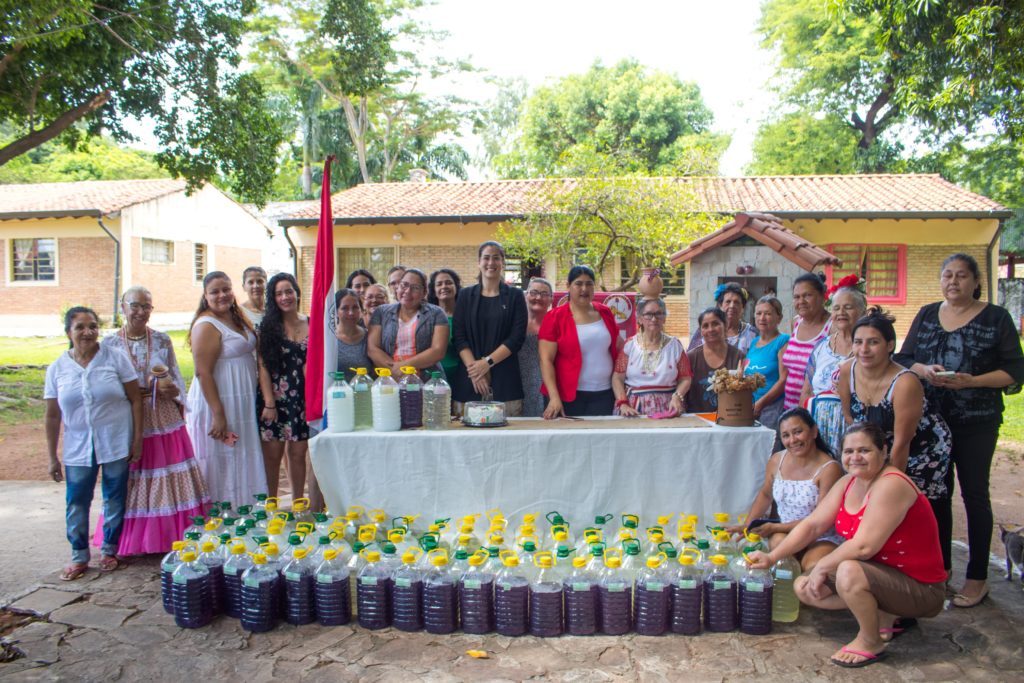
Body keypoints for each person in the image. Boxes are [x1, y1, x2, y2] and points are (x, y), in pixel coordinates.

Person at [749, 423, 947, 668]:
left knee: (847, 571)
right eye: (848, 451)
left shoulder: (891, 484)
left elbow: (864, 547)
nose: (855, 457)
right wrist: (771, 557)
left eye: (864, 450)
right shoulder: (848, 483)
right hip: (882, 576)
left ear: (883, 451)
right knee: (803, 586)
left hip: (922, 589)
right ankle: (887, 613)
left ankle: (870, 639)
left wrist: (823, 568)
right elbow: (812, 525)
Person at [895, 253, 1024, 607]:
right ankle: (941, 571)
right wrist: (924, 369)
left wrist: (973, 381)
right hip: (932, 422)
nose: (954, 282)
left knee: (975, 496)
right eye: (948, 275)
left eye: (962, 276)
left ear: (976, 281)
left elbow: (1015, 371)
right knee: (937, 495)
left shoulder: (996, 317)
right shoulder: (926, 314)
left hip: (976, 422)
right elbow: (904, 359)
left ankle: (978, 577)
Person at [97, 287, 208, 556]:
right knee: (135, 473)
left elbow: (178, 377)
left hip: (163, 415)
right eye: (135, 305)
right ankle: (131, 537)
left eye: (147, 307)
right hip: (130, 414)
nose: (140, 312)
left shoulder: (160, 340)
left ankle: (172, 533)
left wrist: (174, 392)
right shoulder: (109, 345)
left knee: (168, 471)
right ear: (122, 306)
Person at [45, 307, 143, 580]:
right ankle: (79, 556)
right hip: (77, 447)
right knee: (77, 501)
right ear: (69, 332)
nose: (87, 332)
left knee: (114, 497)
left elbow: (136, 399)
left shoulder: (115, 359)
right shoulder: (57, 369)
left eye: (92, 326)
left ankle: (109, 550)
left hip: (115, 441)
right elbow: (52, 416)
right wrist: (52, 456)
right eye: (80, 327)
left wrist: (137, 440)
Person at [837, 308, 951, 508]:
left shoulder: (905, 383)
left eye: (873, 342)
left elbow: (901, 444)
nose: (864, 349)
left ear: (890, 345)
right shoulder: (847, 370)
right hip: (875, 448)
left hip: (919, 449)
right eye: (858, 342)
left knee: (908, 506)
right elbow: (849, 417)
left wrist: (887, 487)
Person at [186, 271, 267, 508]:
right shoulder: (206, 324)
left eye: (226, 289)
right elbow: (203, 372)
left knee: (240, 456)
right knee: (221, 461)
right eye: (215, 291)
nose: (222, 295)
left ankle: (245, 510)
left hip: (240, 400)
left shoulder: (236, 317)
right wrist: (218, 414)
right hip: (219, 401)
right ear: (205, 295)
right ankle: (221, 516)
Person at [731, 408, 842, 571]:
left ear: (814, 432)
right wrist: (748, 524)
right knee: (779, 549)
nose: (792, 440)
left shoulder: (829, 469)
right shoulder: (777, 460)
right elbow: (765, 494)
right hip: (786, 531)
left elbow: (821, 521)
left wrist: (775, 527)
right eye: (786, 435)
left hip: (820, 535)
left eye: (798, 432)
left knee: (812, 566)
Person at [452, 242, 528, 413]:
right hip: (469, 380)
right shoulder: (465, 295)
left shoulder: (515, 296)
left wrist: (487, 363)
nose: (491, 263)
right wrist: (476, 372)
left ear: (503, 263)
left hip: (505, 381)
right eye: (486, 258)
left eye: (496, 258)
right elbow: (459, 337)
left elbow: (516, 338)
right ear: (479, 262)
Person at [256, 273, 310, 503]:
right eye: (279, 293)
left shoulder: (310, 322)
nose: (285, 297)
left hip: (303, 398)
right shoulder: (267, 327)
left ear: (297, 292)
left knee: (298, 454)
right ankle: (271, 505)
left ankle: (298, 503)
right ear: (273, 298)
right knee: (272, 457)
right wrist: (269, 402)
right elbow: (263, 367)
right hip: (274, 400)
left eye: (289, 291)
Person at [539, 265, 621, 417]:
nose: (584, 288)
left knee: (602, 440)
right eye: (578, 283)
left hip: (604, 394)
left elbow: (619, 346)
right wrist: (554, 397)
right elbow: (546, 360)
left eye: (589, 284)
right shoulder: (554, 317)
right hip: (567, 396)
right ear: (568, 286)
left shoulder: (605, 312)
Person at [801, 285, 867, 455]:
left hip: (854, 428)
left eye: (848, 307)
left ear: (862, 311)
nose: (841, 312)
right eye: (836, 308)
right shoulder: (821, 347)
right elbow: (807, 390)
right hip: (818, 427)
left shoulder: (868, 349)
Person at [612, 298, 691, 416]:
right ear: (639, 318)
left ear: (664, 318)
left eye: (659, 314)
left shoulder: (674, 345)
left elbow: (686, 378)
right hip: (633, 408)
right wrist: (622, 403)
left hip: (668, 407)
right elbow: (617, 378)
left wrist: (677, 397)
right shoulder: (630, 345)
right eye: (648, 314)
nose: (654, 319)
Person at [367, 267, 449, 378]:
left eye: (415, 288)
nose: (407, 291)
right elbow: (372, 348)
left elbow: (438, 351)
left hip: (428, 382)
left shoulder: (437, 313)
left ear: (424, 292)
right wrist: (394, 373)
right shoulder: (381, 312)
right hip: (389, 381)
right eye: (404, 285)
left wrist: (403, 367)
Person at [781, 273, 831, 409]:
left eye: (807, 295)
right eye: (796, 297)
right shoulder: (796, 322)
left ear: (822, 296)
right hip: (789, 408)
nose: (801, 301)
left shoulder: (832, 327)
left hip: (816, 410)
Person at [684, 308, 744, 413]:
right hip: (697, 421)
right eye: (705, 326)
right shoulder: (691, 358)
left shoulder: (738, 357)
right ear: (701, 331)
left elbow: (743, 391)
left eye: (715, 324)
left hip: (730, 420)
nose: (710, 329)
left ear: (725, 326)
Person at [744, 295, 789, 430]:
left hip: (772, 407)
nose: (762, 318)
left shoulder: (783, 341)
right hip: (750, 407)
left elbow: (783, 380)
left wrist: (760, 404)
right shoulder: (753, 342)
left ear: (779, 318)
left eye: (768, 314)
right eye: (758, 313)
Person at [687, 282, 757, 354]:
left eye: (736, 302)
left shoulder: (751, 333)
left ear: (743, 307)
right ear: (720, 305)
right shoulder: (707, 330)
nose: (732, 306)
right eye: (728, 302)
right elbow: (691, 357)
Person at [519, 277, 554, 417]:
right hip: (518, 388)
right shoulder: (515, 324)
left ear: (551, 299)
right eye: (533, 292)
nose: (538, 297)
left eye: (544, 294)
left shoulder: (556, 325)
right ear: (526, 295)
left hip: (548, 389)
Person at [427, 268, 462, 379]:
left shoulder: (466, 316)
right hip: (433, 378)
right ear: (433, 290)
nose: (444, 287)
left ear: (456, 287)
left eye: (449, 283)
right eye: (439, 284)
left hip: (463, 377)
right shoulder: (427, 318)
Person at [335, 288, 372, 379]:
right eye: (345, 308)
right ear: (336, 311)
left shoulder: (370, 337)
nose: (351, 313)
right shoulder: (328, 339)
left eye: (355, 307)